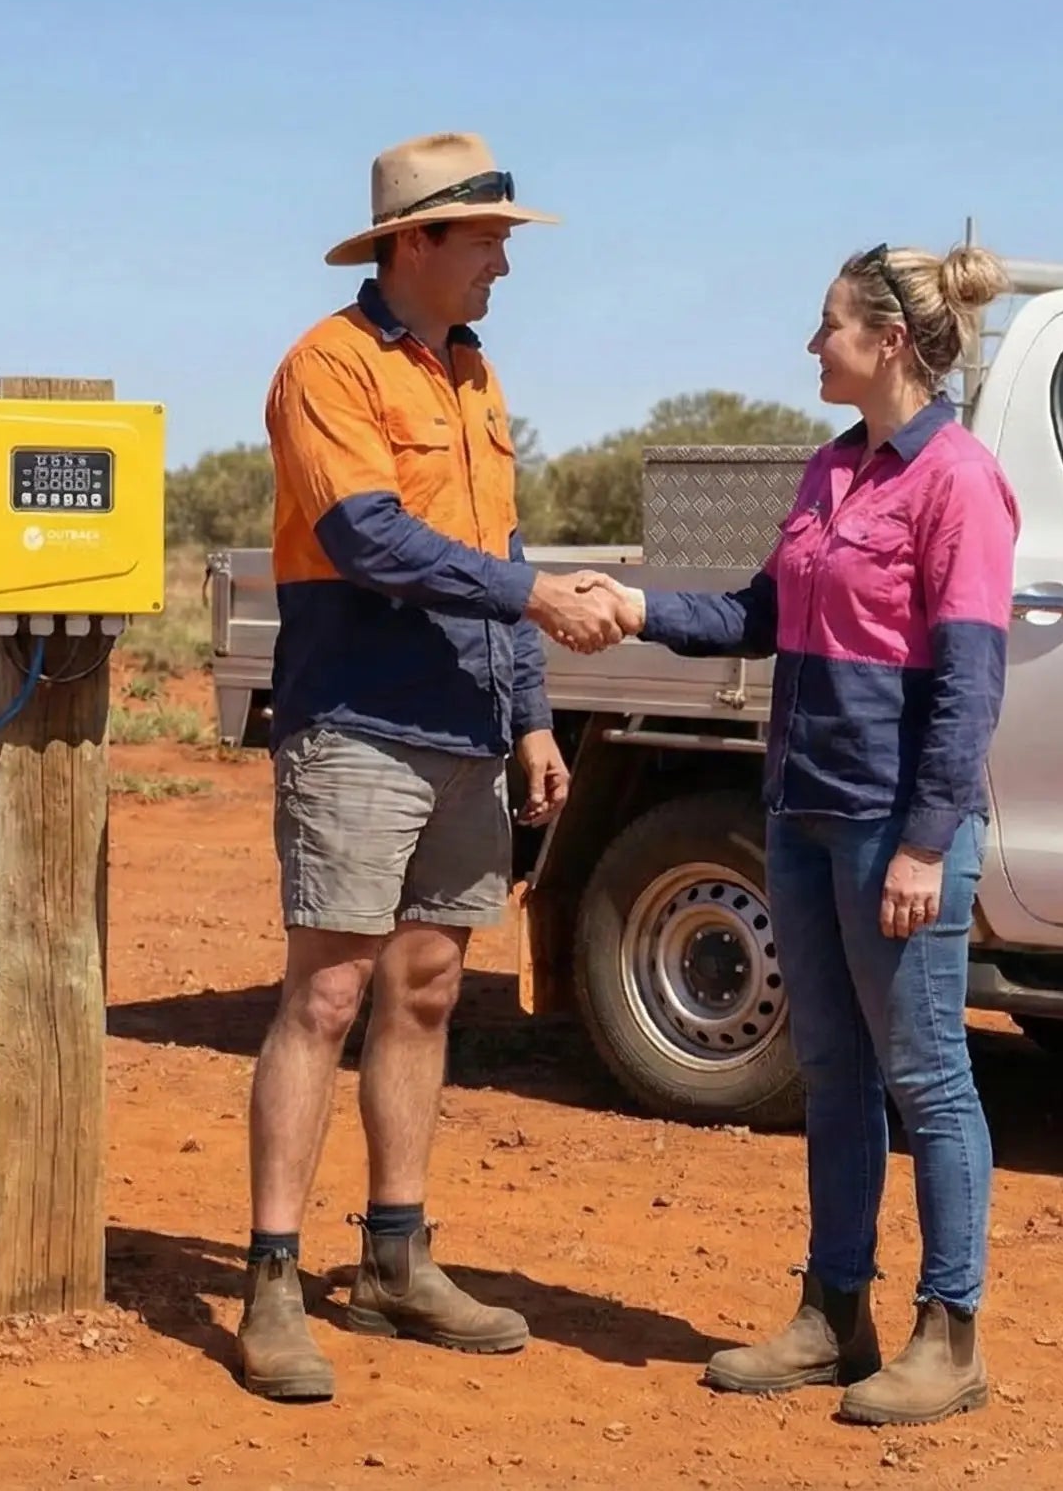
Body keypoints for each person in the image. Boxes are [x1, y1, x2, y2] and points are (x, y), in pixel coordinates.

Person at [580, 240, 1019, 1426]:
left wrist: (928, 842)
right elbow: (757, 616)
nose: (810, 346)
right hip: (805, 811)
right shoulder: (831, 472)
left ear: (886, 341)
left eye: (827, 325)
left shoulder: (959, 482)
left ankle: (951, 1331)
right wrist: (638, 609)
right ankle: (835, 1313)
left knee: (928, 1079)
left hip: (895, 830)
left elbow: (971, 685)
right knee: (832, 1075)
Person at [235, 130, 630, 1403]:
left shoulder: (474, 378)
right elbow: (369, 538)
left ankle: (396, 1263)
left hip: (466, 729)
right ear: (416, 242)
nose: (503, 270)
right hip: (355, 721)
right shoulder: (327, 367)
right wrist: (528, 592)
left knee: (423, 993)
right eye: (489, 245)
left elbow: (492, 544)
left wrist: (529, 718)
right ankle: (273, 1282)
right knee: (329, 998)